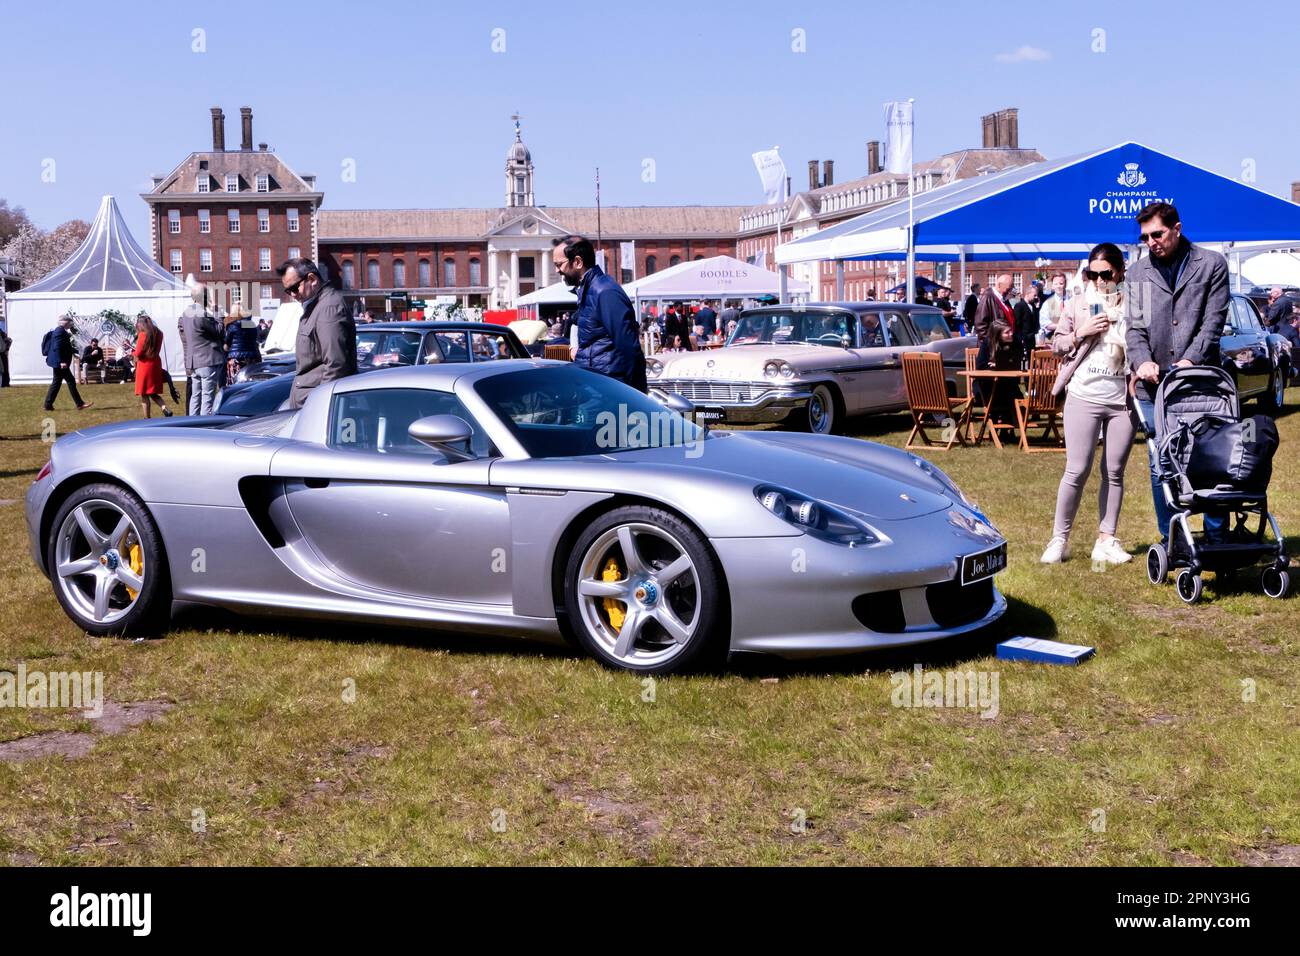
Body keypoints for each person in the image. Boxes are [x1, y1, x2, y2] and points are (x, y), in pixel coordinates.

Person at [1125, 201, 1229, 546]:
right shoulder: (1137, 274)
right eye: (1145, 237)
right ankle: (1173, 539)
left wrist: (1191, 360)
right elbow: (1134, 328)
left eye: (1158, 233)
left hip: (1201, 384)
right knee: (1161, 464)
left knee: (1211, 459)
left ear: (1177, 228)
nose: (1152, 241)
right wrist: (1141, 361)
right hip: (1155, 388)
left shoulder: (1211, 264)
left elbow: (1213, 322)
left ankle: (1216, 538)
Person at [1041, 243, 1136, 566]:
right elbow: (1057, 346)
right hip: (1083, 395)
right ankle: (1059, 539)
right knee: (1077, 469)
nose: (1098, 281)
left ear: (1119, 272)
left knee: (1114, 471)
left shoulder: (1135, 305)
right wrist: (1081, 332)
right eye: (1092, 274)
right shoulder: (1079, 304)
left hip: (1121, 399)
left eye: (1105, 274)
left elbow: (1146, 344)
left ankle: (1106, 539)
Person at [551, 235, 647, 392]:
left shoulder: (604, 292)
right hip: (597, 383)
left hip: (608, 388)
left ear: (577, 262)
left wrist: (634, 396)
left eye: (559, 264)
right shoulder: (590, 290)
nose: (557, 270)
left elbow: (629, 348)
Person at [279, 257, 357, 409]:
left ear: (312, 279)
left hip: (315, 408)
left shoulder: (328, 308)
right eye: (288, 291)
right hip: (307, 404)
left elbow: (336, 366)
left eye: (294, 288)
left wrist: (318, 407)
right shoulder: (317, 306)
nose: (293, 295)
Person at [973, 274, 1017, 420]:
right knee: (1001, 388)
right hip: (992, 350)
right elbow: (980, 325)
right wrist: (992, 344)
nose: (1010, 291)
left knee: (1010, 386)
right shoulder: (988, 298)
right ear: (998, 285)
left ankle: (1007, 422)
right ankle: (1001, 418)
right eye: (1008, 288)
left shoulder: (1003, 299)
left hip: (1004, 349)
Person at [179, 284, 226, 415]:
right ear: (204, 297)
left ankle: (192, 424)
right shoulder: (200, 313)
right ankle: (206, 427)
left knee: (195, 396)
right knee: (207, 398)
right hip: (207, 360)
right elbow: (219, 330)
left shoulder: (186, 313)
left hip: (193, 361)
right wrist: (217, 310)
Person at [42, 316, 92, 411]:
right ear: (64, 322)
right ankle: (79, 404)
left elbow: (65, 347)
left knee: (56, 383)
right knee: (70, 381)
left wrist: (76, 351)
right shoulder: (60, 332)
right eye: (70, 322)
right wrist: (61, 362)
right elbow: (57, 347)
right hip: (60, 363)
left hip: (58, 362)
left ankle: (48, 405)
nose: (71, 324)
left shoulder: (60, 331)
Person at [132, 313, 173, 418]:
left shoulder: (143, 334)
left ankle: (147, 418)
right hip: (155, 365)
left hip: (144, 366)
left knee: (144, 394)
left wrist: (132, 353)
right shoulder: (159, 333)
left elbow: (138, 353)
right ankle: (165, 408)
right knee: (153, 392)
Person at [223, 304, 262, 382]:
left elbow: (226, 346)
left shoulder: (232, 326)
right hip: (252, 358)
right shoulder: (252, 324)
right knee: (250, 382)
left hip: (236, 359)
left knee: (236, 383)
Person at [1013, 282, 1042, 360]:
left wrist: (1037, 307)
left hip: (1032, 339)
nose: (1036, 297)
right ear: (1028, 294)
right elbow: (1017, 324)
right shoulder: (1019, 306)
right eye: (1034, 295)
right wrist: (1020, 338)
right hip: (1024, 339)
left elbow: (1036, 322)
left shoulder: (1033, 306)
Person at [1039, 272, 1070, 339]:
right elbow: (1045, 324)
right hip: (1053, 340)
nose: (1058, 286)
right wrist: (1062, 326)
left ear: (1065, 284)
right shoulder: (1047, 304)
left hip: (1072, 339)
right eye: (1055, 284)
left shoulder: (1072, 301)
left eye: (1061, 283)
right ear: (1052, 285)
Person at [0, 320, 10, 387]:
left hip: (2, 352)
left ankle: (4, 383)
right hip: (3, 352)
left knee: (3, 369)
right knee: (3, 368)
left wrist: (6, 349)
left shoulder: (1, 332)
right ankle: (4, 383)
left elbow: (8, 340)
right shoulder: (2, 332)